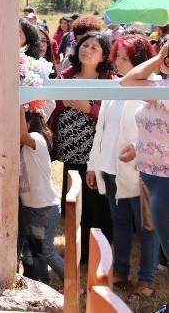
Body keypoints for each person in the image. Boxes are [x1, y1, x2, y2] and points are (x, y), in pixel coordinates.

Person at [86, 33, 159, 297]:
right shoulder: (114, 87)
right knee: (120, 224)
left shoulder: (154, 87)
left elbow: (157, 129)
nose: (117, 61)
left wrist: (138, 151)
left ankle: (147, 279)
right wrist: (93, 165)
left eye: (124, 58)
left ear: (139, 60)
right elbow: (102, 130)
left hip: (142, 171)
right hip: (111, 169)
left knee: (147, 227)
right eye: (116, 55)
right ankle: (120, 272)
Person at [48, 30, 114, 262]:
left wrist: (89, 109)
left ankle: (98, 251)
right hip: (71, 150)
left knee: (97, 204)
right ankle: (79, 250)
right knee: (75, 202)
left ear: (104, 55)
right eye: (85, 46)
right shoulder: (66, 76)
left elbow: (112, 115)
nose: (87, 50)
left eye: (94, 48)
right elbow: (50, 107)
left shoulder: (109, 81)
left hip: (96, 152)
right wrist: (61, 104)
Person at [120, 41, 169, 300]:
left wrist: (160, 55)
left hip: (165, 180)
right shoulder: (160, 88)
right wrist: (137, 146)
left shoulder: (163, 90)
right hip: (153, 176)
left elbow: (127, 80)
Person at [19, 107, 64, 285]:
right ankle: (43, 282)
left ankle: (72, 284)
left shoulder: (37, 139)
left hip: (45, 208)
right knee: (36, 249)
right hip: (32, 207)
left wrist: (19, 106)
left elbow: (22, 135)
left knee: (46, 250)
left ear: (27, 123)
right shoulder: (25, 145)